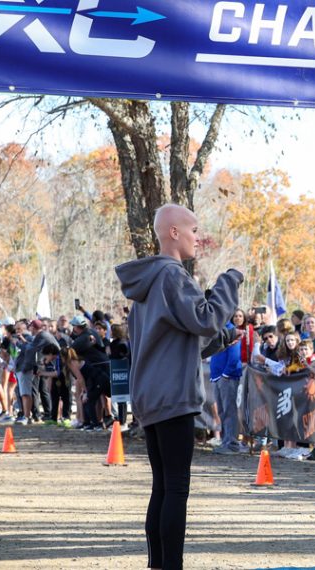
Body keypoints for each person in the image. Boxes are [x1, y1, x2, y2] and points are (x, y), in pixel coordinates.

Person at [115, 204, 242, 570]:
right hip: (173, 397)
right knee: (176, 489)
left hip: (152, 396)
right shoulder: (172, 275)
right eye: (194, 229)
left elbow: (180, 338)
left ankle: (158, 564)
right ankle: (171, 565)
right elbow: (204, 318)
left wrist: (221, 338)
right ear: (173, 232)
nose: (198, 237)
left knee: (163, 488)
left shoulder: (149, 284)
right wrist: (228, 282)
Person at [209, 316, 246, 455]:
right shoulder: (217, 330)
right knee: (222, 411)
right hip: (218, 376)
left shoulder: (231, 330)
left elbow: (234, 355)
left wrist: (226, 374)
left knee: (229, 410)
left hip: (227, 377)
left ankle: (232, 444)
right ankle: (226, 441)